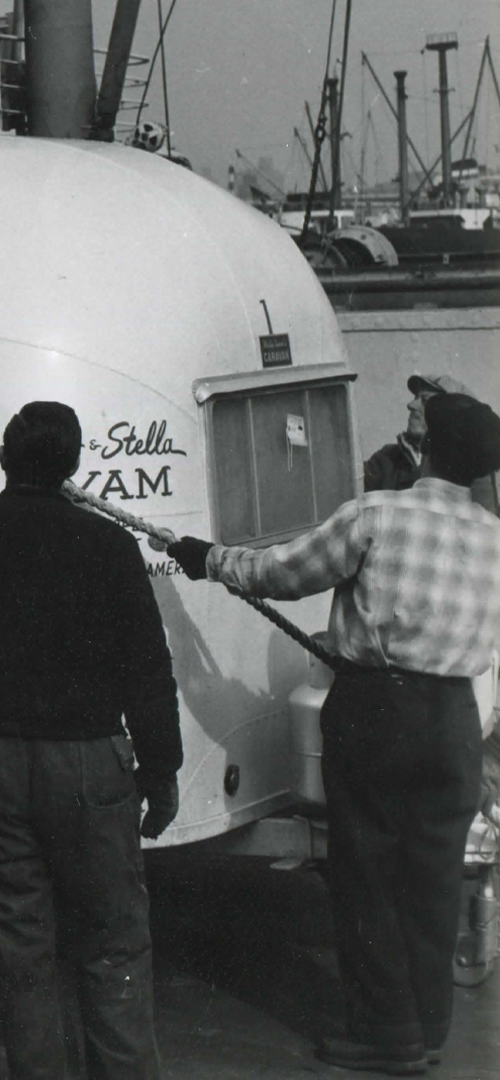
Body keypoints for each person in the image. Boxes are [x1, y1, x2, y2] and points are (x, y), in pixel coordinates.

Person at [167, 393, 500, 1076]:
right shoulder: (495, 537)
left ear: (429, 448)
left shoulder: (376, 513)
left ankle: (386, 1038)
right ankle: (427, 1028)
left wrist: (207, 558)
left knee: (369, 874)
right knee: (434, 878)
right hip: (454, 720)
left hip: (379, 710)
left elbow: (280, 573)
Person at [0, 401, 182, 1080]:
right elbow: (147, 666)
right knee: (112, 945)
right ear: (74, 463)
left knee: (22, 950)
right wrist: (161, 769)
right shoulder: (110, 545)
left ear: (4, 455)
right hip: (88, 767)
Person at [364, 373, 498, 514]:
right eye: (415, 398)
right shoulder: (387, 457)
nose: (411, 405)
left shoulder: (475, 472)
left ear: (452, 416)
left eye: (425, 400)